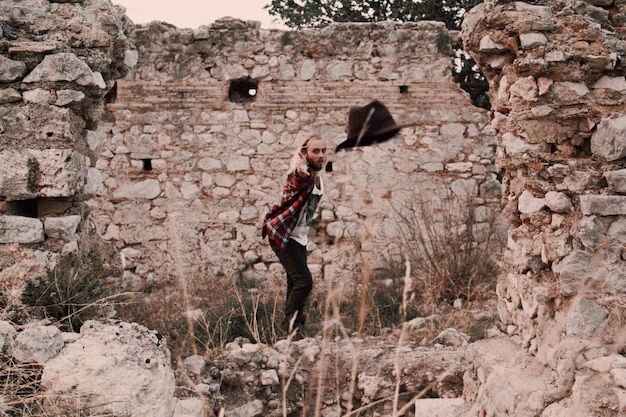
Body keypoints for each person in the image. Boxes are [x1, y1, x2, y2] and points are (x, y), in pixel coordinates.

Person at [262, 134, 327, 337]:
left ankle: (295, 328)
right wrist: (299, 168)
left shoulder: (317, 177)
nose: (321, 155)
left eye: (324, 151)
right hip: (283, 234)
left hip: (298, 237)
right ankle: (289, 329)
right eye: (316, 151)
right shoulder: (300, 175)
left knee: (294, 282)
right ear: (304, 153)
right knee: (304, 282)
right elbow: (297, 178)